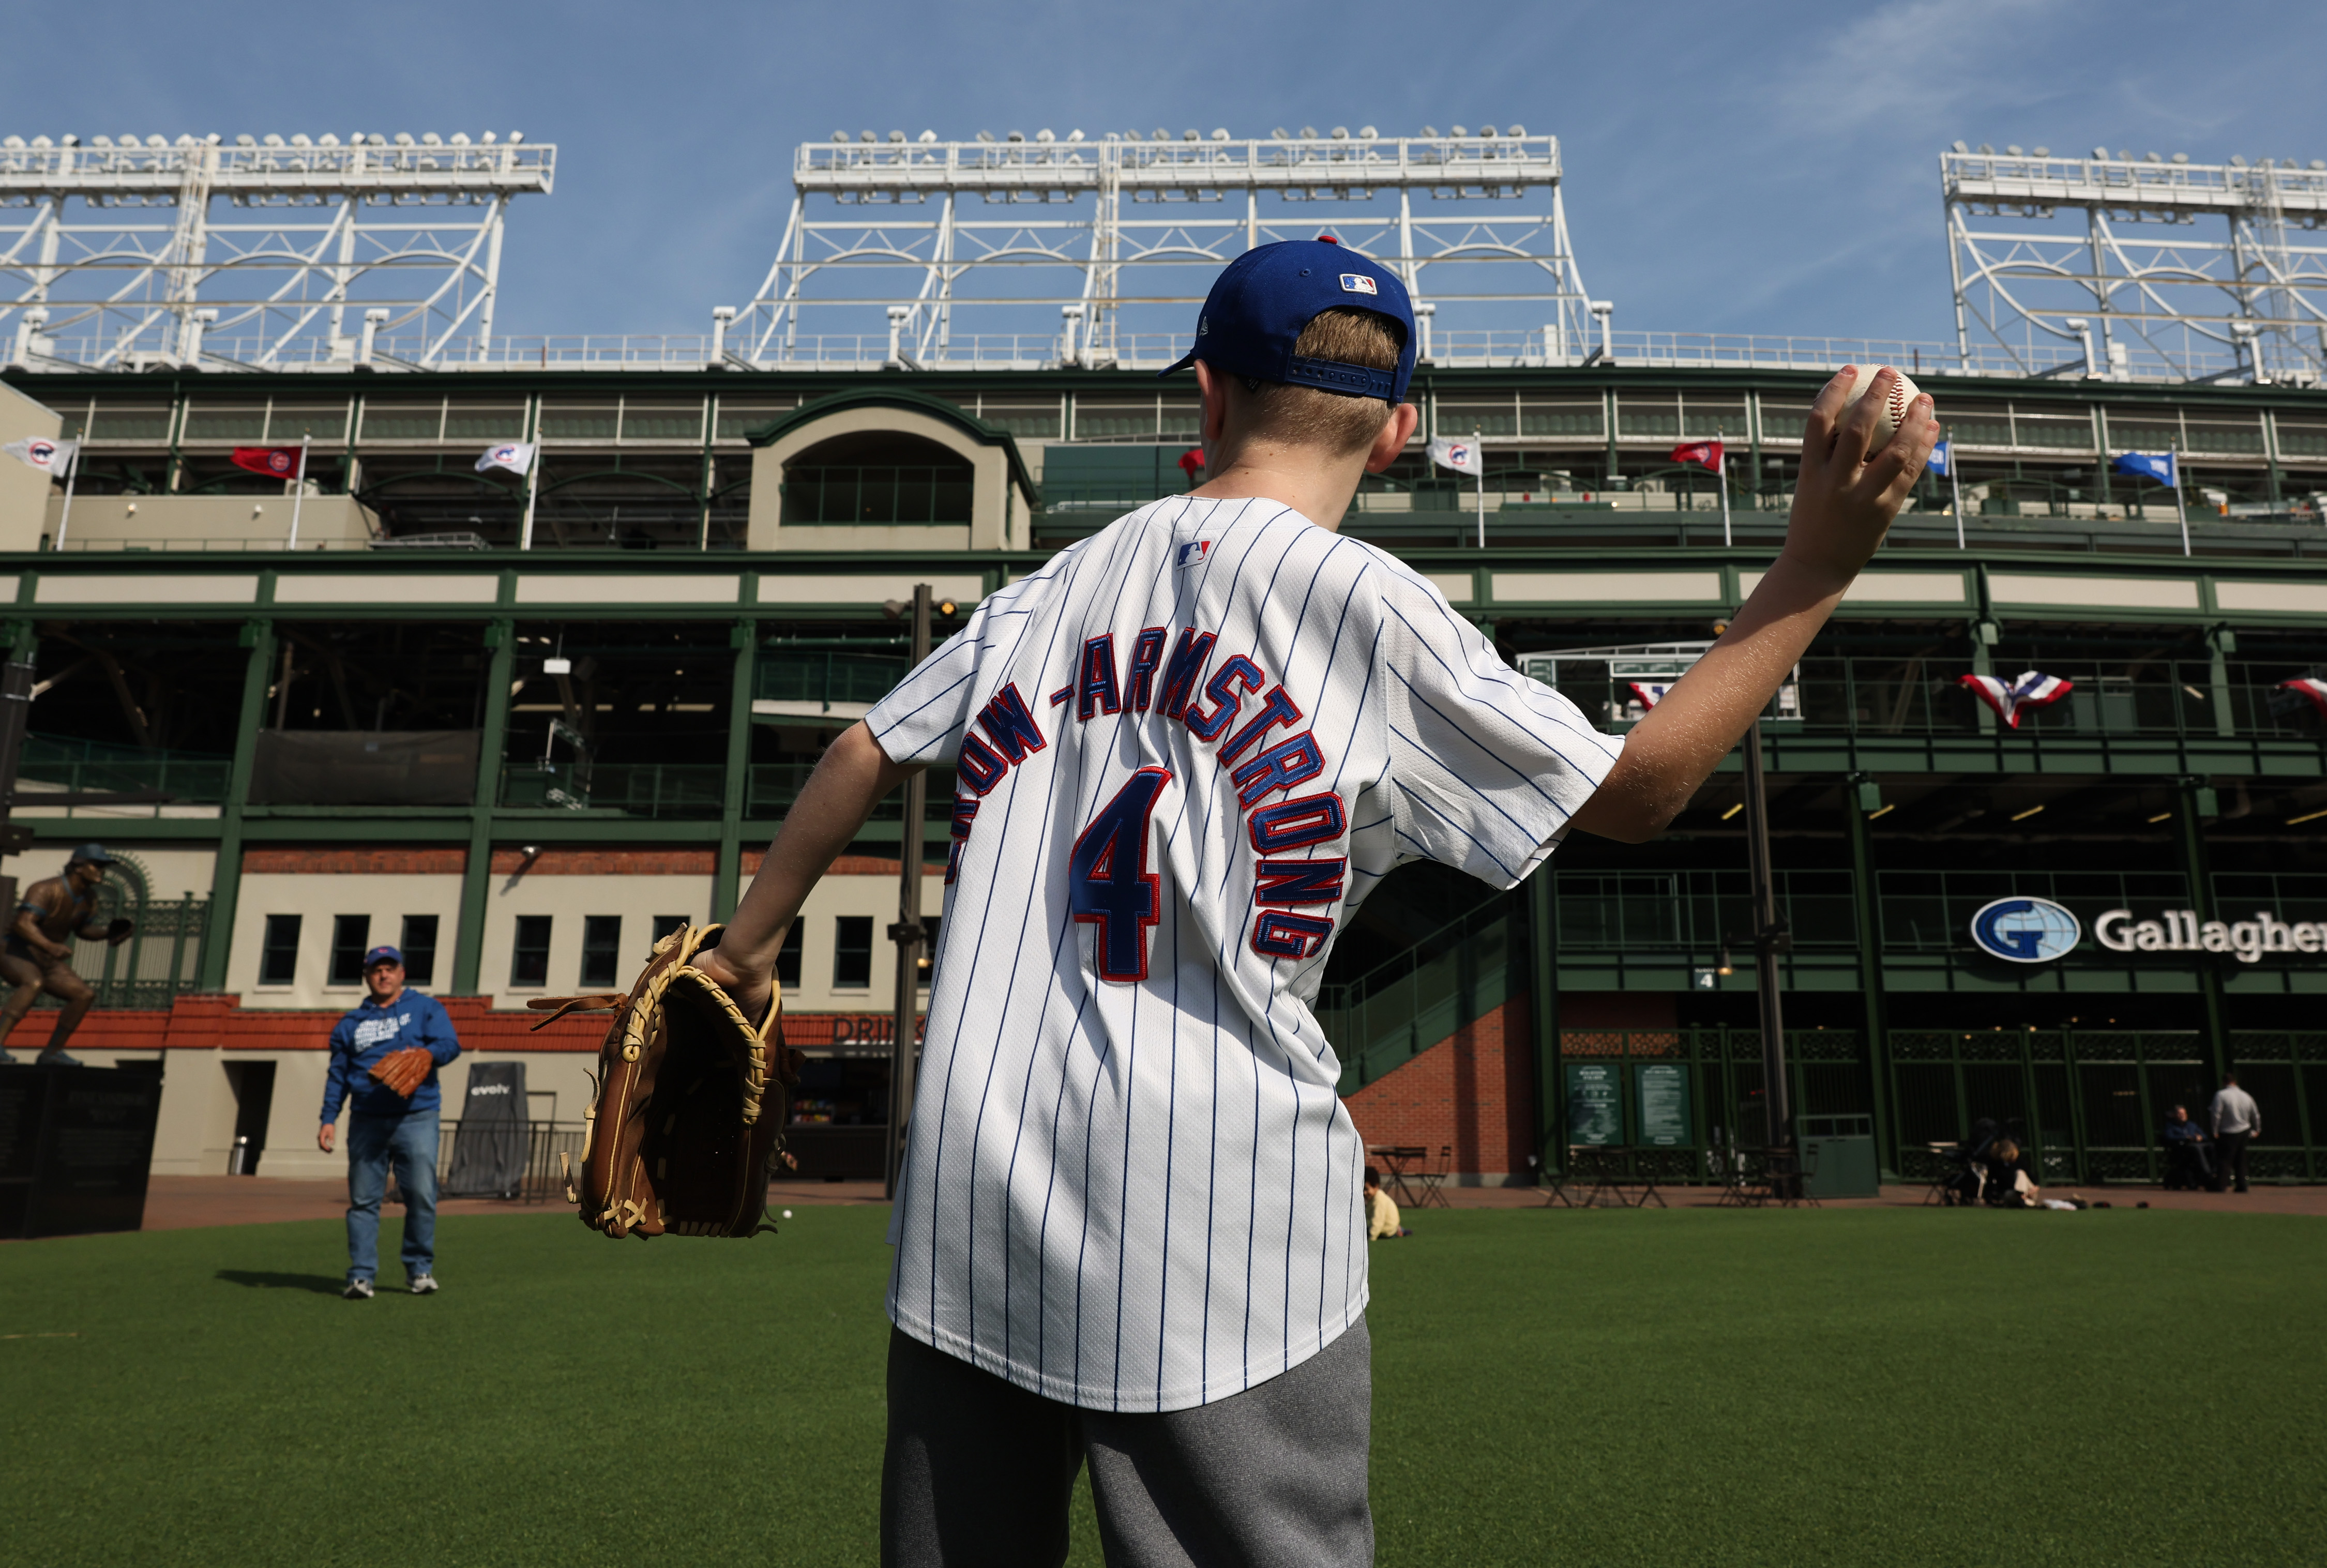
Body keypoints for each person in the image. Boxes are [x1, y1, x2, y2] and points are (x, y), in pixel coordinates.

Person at [696, 237, 1937, 1564]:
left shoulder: (1051, 586)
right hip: (1227, 1216)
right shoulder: (1372, 607)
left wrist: (749, 948)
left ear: (1206, 397)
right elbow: (1638, 790)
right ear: (1398, 431)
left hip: (974, 1190)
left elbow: (857, 752)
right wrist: (1811, 567)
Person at [318, 945, 461, 1299]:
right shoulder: (350, 1023)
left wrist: (428, 1054)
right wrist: (328, 1118)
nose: (383, 974)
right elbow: (338, 1074)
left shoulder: (425, 1008)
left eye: (390, 968)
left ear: (401, 974)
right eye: (376, 969)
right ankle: (361, 1275)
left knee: (422, 1195)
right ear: (367, 976)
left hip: (417, 1114)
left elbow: (450, 1044)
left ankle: (419, 1269)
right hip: (366, 1117)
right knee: (364, 1199)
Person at [0, 842, 132, 1067]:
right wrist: (50, 946)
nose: (102, 871)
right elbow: (23, 924)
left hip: (45, 958)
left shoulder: (89, 899)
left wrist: (107, 933)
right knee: (33, 983)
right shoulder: (45, 889)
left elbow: (82, 930)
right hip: (15, 950)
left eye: (103, 867)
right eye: (97, 865)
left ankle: (52, 1053)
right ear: (79, 867)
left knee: (84, 995)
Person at [2209, 1071, 2261, 1194]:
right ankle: (2242, 1185)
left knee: (2225, 1160)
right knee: (2241, 1159)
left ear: (2224, 1082)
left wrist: (2215, 1131)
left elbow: (2216, 1114)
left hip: (2228, 1131)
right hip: (2244, 1130)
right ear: (2235, 1082)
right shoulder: (2246, 1096)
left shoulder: (2221, 1095)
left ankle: (2221, 1185)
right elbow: (2255, 1114)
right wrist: (2257, 1129)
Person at [2160, 1104, 2217, 1192]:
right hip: (2182, 1150)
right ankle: (2207, 1173)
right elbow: (2169, 1137)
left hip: (2196, 1147)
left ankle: (2214, 1171)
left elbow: (2204, 1136)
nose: (2182, 1115)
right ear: (2175, 1115)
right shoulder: (2171, 1126)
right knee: (2196, 1149)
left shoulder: (2191, 1125)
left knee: (2210, 1146)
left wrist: (2200, 1137)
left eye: (2184, 1113)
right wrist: (2185, 1138)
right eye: (2180, 1113)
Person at [1364, 1166, 1407, 1240]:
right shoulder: (1375, 1198)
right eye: (1363, 1189)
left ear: (1376, 1186)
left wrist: (1372, 1237)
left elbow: (1378, 1222)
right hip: (1390, 1228)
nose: (1364, 1193)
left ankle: (1398, 1231)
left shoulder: (1379, 1201)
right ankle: (1400, 1230)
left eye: (1367, 1189)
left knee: (1364, 1232)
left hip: (1387, 1232)